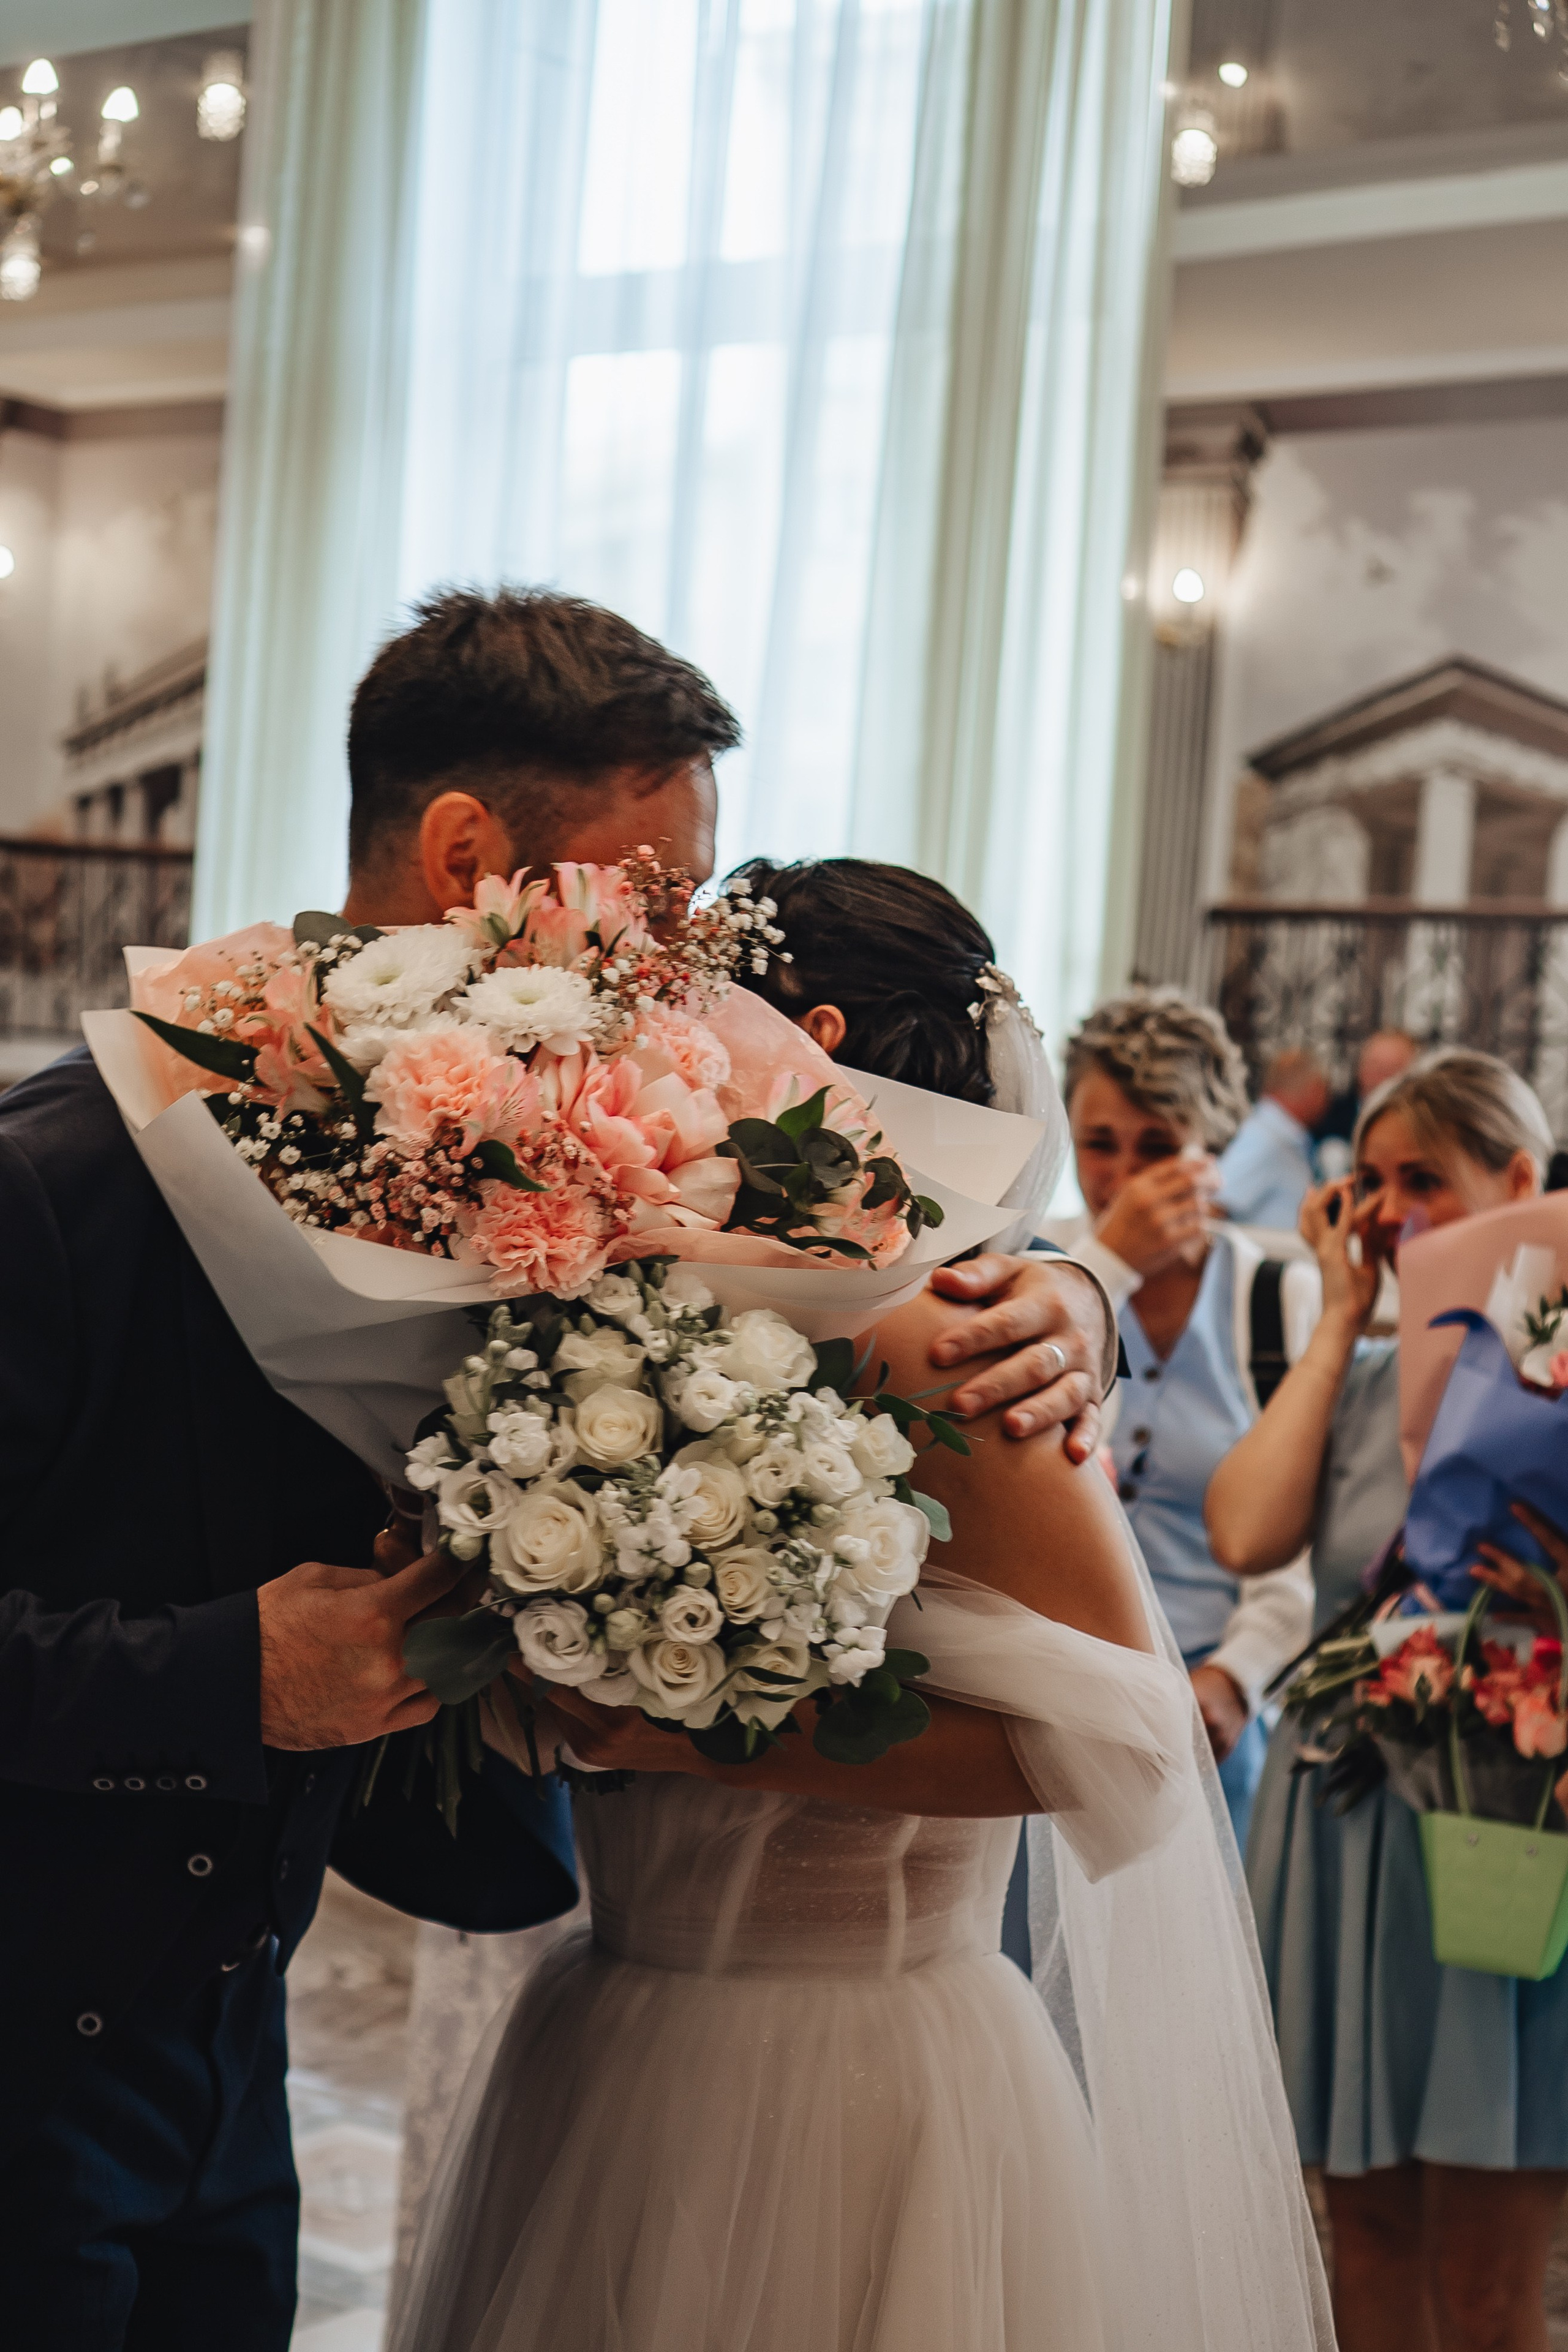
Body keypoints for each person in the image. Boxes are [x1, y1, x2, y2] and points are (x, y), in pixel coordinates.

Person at [0, 586, 1118, 2348]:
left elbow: (877, 1265)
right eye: (652, 906)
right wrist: (235, 1675)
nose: (679, 978)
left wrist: (1075, 1299)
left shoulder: (552, 1175)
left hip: (226, 2096)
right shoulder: (57, 1182)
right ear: (466, 857)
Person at [389, 867, 1333, 2352]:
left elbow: (1137, 1750)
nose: (648, 1054)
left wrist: (699, 1738)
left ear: (803, 1039)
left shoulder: (962, 1340)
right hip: (616, 2030)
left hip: (869, 2063)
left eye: (687, 1018)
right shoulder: (600, 1306)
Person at [1207, 1049, 1566, 2352]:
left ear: (1518, 1185)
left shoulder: (1559, 1389)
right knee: (1359, 2233)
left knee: (1485, 2281)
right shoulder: (1353, 1386)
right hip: (1343, 1829)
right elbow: (1244, 1533)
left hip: (1502, 1823)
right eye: (1370, 1183)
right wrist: (1335, 1320)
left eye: (1425, 1181)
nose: (1392, 1210)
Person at [1037, 990, 1316, 1847]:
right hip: (1055, 1701)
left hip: (1208, 1710)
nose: (1124, 1179)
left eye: (1157, 1148)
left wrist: (1237, 1676)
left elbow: (1300, 1535)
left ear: (1211, 1152)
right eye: (1099, 1144)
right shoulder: (1042, 1273)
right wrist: (1109, 1266)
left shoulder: (1275, 1300)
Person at [1218, 1046, 1330, 1231]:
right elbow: (1216, 1203)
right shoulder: (1263, 1138)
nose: (1326, 1102)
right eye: (1325, 1092)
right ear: (1314, 1090)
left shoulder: (1276, 1135)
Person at [1314, 1030, 1419, 1183]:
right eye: (1375, 1065)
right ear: (1360, 1068)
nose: (1381, 1076)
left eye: (1392, 1069)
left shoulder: (1421, 1126)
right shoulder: (1326, 1115)